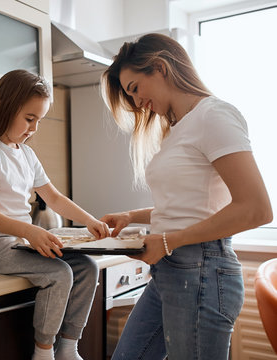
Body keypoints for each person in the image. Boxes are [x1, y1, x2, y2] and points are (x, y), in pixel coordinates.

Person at [99, 33, 273, 360]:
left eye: (135, 88)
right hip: (171, 272)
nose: (136, 104)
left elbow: (256, 209)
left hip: (201, 270)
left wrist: (168, 241)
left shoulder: (214, 116)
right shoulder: (180, 129)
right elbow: (186, 208)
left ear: (160, 68)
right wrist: (130, 216)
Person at [0, 69, 110, 360]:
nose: (34, 128)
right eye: (30, 119)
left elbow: (53, 197)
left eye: (38, 120)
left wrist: (90, 221)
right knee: (59, 273)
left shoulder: (26, 154)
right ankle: (43, 352)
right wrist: (30, 231)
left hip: (19, 241)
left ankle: (68, 347)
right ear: (6, 107)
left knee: (87, 267)